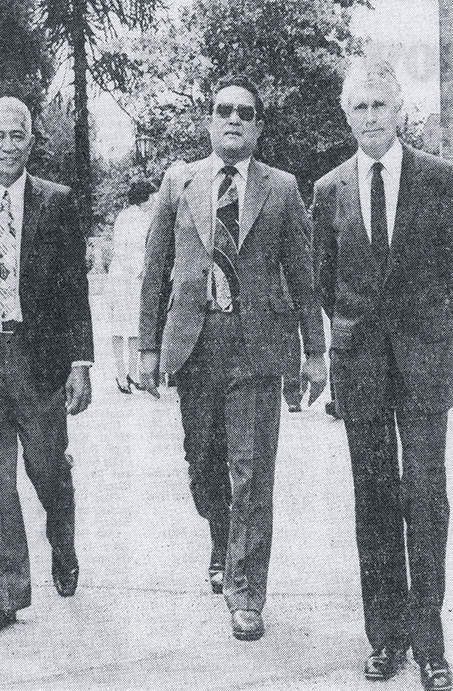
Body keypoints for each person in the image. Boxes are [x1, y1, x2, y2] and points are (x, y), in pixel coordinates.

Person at [139, 74, 327, 641]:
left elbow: (303, 274)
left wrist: (314, 353)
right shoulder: (179, 182)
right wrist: (148, 347)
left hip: (256, 351)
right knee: (204, 465)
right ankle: (221, 537)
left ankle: (246, 593)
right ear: (210, 120)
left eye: (246, 113)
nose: (235, 120)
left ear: (259, 126)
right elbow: (154, 273)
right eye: (225, 110)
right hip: (195, 348)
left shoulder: (283, 188)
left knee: (252, 474)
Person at [313, 59, 453, 691]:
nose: (369, 117)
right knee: (372, 501)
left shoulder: (441, 180)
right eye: (358, 108)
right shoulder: (330, 189)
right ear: (347, 116)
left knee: (424, 497)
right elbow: (326, 285)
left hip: (425, 364)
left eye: (378, 105)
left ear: (400, 110)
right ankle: (385, 639)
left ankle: (432, 646)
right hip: (362, 367)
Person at [0, 97, 94, 641]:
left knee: (46, 469)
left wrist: (80, 364)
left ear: (32, 143)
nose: (9, 145)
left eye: (19, 135)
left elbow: (74, 291)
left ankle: (62, 537)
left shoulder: (57, 204)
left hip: (39, 363)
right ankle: (0, 595)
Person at [107, 179, 158, 393]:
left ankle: (134, 373)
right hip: (122, 279)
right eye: (152, 197)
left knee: (136, 327)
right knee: (119, 328)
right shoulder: (124, 217)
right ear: (144, 198)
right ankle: (120, 375)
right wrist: (137, 270)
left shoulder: (148, 218)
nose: (155, 200)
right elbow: (119, 249)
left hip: (138, 279)